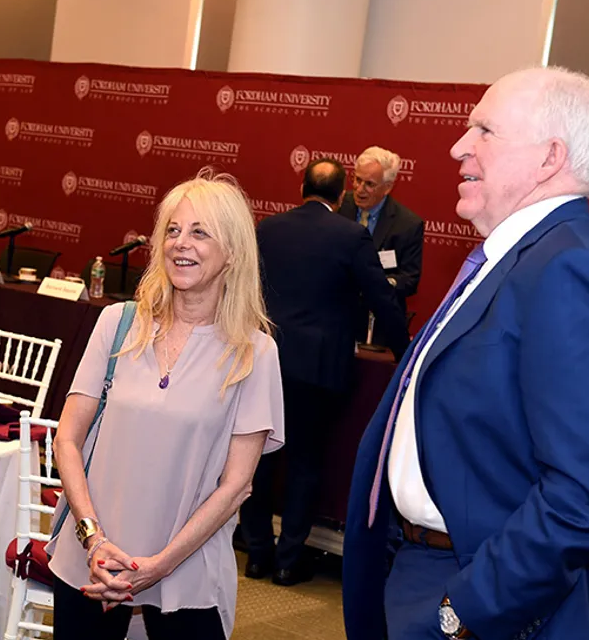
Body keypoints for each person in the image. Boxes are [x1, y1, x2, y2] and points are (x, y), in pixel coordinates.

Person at [343, 67, 589, 640]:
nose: (458, 146)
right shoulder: (515, 258)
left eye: (484, 130)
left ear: (550, 157)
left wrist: (465, 614)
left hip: (485, 603)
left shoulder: (566, 267)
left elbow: (588, 494)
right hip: (425, 571)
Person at [47, 169, 285, 640]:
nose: (181, 244)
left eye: (200, 233)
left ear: (233, 251)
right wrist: (92, 539)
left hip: (188, 573)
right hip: (90, 562)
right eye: (172, 231)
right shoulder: (117, 324)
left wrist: (158, 566)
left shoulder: (254, 353)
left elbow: (237, 486)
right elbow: (67, 441)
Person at [239, 158, 409, 586]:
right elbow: (381, 299)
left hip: (264, 360)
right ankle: (287, 561)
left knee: (256, 458)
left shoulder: (268, 228)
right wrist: (404, 351)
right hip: (317, 369)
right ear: (341, 196)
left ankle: (256, 553)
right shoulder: (352, 235)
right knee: (305, 461)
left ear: (302, 188)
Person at [338, 146, 423, 344]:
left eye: (369, 184)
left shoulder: (407, 224)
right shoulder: (339, 206)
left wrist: (382, 282)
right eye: (357, 180)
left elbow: (410, 280)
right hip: (336, 316)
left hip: (377, 325)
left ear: (388, 187)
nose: (359, 189)